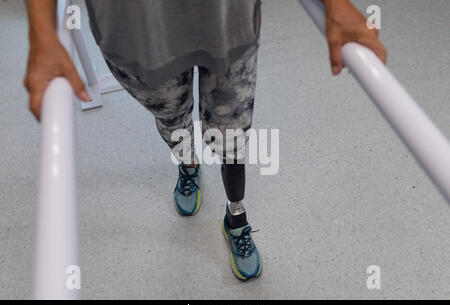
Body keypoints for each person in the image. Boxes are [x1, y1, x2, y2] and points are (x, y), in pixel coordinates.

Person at [24, 0, 387, 281]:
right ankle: (188, 164)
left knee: (231, 137)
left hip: (228, 25)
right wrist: (42, 33)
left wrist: (337, 5)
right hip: (137, 33)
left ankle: (236, 215)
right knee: (172, 119)